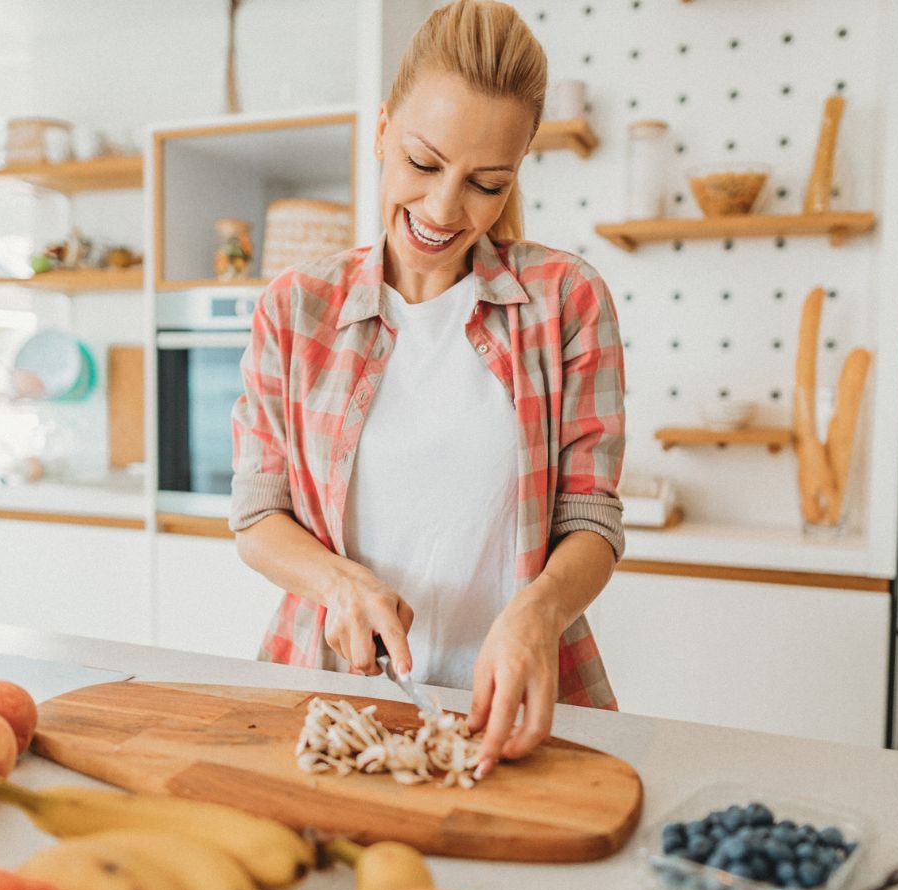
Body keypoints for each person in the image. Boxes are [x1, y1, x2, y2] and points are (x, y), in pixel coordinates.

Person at [230, 0, 625, 777]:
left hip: (516, 717)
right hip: (329, 699)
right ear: (382, 131)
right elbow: (256, 515)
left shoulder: (566, 300)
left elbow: (590, 517)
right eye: (422, 163)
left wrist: (540, 611)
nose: (445, 210)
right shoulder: (295, 307)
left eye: (486, 183)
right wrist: (339, 584)